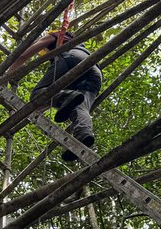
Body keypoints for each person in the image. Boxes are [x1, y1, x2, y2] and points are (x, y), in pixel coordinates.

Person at [6, 29, 102, 161]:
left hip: (72, 59)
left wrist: (4, 77)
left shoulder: (57, 34)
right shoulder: (79, 45)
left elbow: (23, 56)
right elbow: (60, 98)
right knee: (80, 107)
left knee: (37, 95)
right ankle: (83, 135)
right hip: (95, 72)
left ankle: (66, 97)